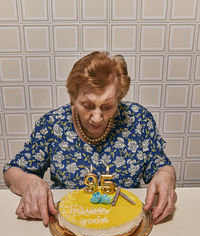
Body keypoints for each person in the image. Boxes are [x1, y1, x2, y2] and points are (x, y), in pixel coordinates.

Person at [3, 51, 177, 226]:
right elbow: (13, 171)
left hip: (125, 221)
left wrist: (166, 174)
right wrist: (29, 182)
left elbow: (158, 163)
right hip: (66, 224)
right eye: (87, 105)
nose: (97, 117)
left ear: (119, 98)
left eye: (108, 106)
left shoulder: (138, 119)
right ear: (72, 97)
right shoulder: (52, 123)